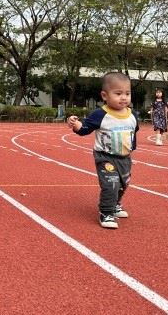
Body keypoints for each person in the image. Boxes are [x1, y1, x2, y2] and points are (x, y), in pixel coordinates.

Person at [67, 72, 139, 229]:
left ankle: (115, 204)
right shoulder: (100, 114)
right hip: (105, 157)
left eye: (127, 93)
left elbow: (134, 132)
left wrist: (131, 149)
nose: (124, 98)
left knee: (123, 184)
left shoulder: (132, 115)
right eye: (118, 93)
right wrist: (76, 125)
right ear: (105, 96)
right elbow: (85, 129)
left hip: (125, 158)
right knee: (111, 183)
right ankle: (106, 212)